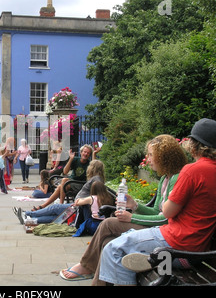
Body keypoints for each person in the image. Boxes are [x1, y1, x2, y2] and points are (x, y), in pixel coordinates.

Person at [97, 119, 216, 286]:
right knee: (124, 241)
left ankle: (153, 259)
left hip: (177, 245)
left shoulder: (192, 170)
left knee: (113, 250)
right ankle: (149, 258)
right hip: (198, 249)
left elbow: (167, 212)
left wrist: (173, 195)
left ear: (195, 145)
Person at [59, 134, 188, 283]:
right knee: (108, 243)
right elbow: (156, 211)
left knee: (108, 224)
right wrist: (135, 206)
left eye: (151, 155)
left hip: (163, 232)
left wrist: (131, 217)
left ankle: (86, 266)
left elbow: (164, 219)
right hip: (158, 228)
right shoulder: (164, 179)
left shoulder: (176, 179)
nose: (148, 159)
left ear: (164, 156)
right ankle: (91, 273)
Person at [15, 160, 111, 226]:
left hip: (79, 207)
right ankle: (29, 219)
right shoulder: (97, 178)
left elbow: (96, 198)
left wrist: (80, 201)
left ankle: (28, 214)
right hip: (80, 206)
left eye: (90, 166)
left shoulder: (96, 180)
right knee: (57, 217)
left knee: (55, 208)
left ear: (93, 168)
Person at [33, 144, 94, 210]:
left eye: (88, 153)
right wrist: (70, 159)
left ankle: (60, 205)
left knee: (64, 180)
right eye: (84, 152)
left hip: (80, 184)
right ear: (81, 152)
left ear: (90, 155)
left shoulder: (90, 164)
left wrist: (94, 154)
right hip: (70, 182)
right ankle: (42, 206)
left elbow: (94, 168)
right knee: (60, 186)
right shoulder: (75, 159)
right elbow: (65, 172)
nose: (86, 154)